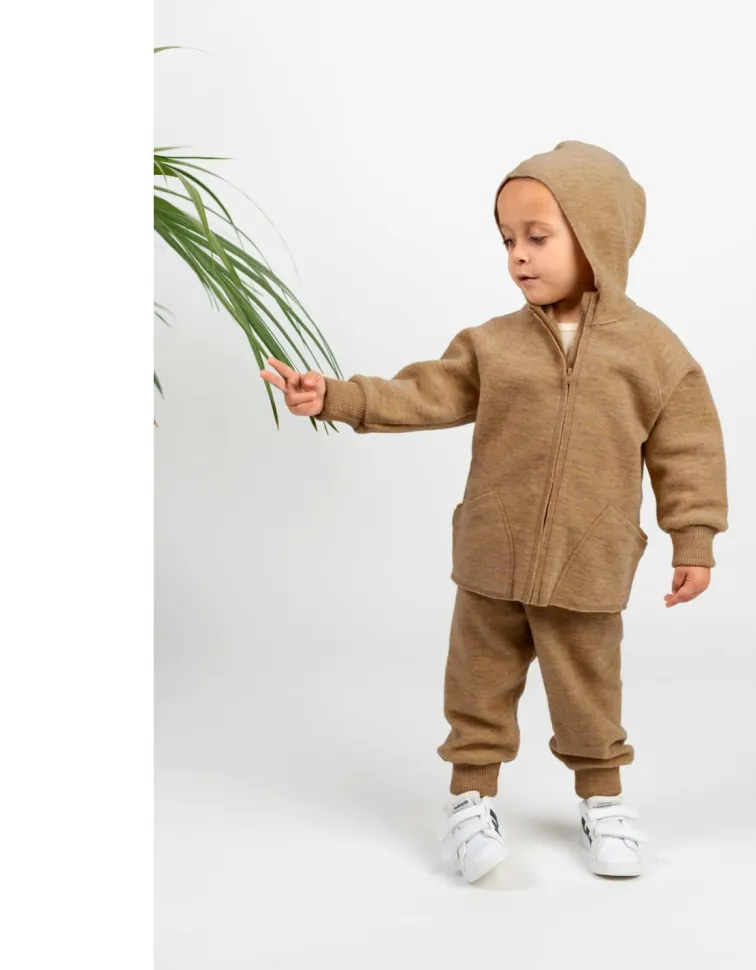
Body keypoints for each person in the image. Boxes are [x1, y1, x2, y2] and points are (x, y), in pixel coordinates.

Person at [260, 140, 729, 884]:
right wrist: (338, 398)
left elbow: (689, 449)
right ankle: (471, 802)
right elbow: (424, 392)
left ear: (597, 234)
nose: (518, 255)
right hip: (491, 557)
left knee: (589, 694)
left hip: (590, 560)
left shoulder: (654, 354)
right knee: (477, 689)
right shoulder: (494, 345)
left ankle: (603, 802)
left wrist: (693, 540)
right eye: (508, 239)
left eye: (537, 236)